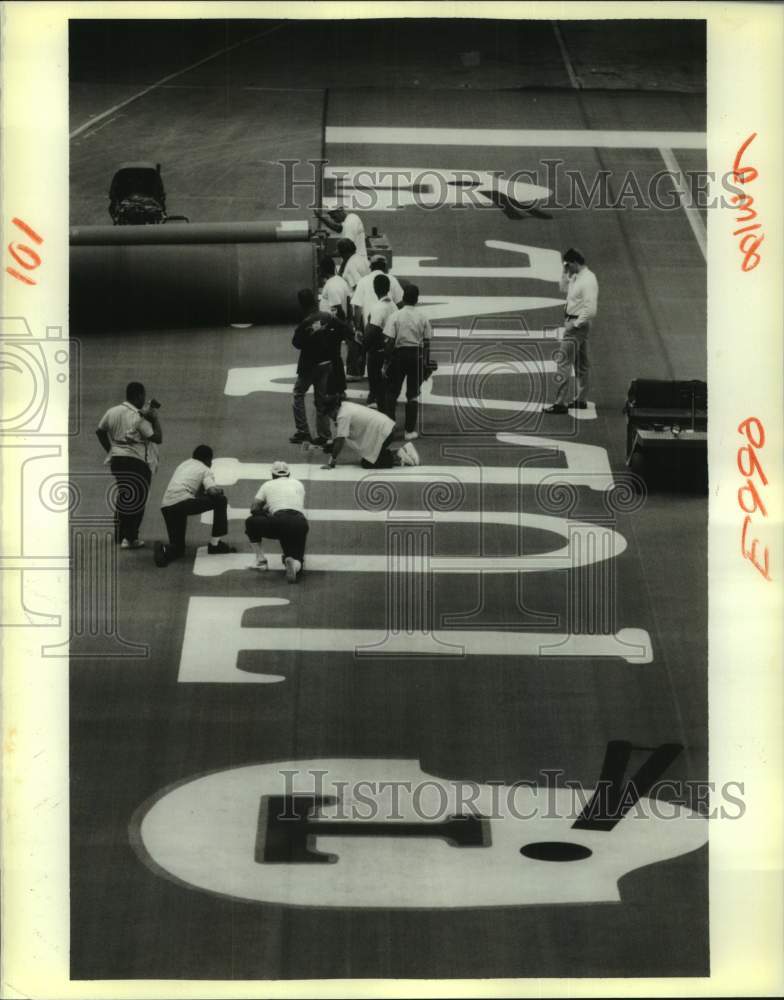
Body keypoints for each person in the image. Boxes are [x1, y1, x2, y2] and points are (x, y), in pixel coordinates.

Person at [96, 381, 162, 549]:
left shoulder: (112, 411)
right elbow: (157, 438)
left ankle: (120, 535)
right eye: (143, 396)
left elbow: (100, 431)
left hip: (117, 461)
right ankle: (131, 538)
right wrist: (154, 419)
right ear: (139, 396)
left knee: (124, 495)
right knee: (137, 500)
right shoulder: (139, 416)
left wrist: (111, 450)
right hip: (137, 461)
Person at [154, 445, 235, 566]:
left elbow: (197, 493)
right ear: (208, 459)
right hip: (183, 503)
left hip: (168, 507)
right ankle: (215, 544)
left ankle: (164, 549)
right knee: (221, 500)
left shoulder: (184, 464)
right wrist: (219, 490)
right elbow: (212, 492)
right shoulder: (205, 469)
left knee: (178, 549)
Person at [290, 288, 351, 446]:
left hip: (309, 364)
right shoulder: (328, 317)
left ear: (302, 305)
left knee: (298, 393)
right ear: (315, 301)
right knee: (321, 399)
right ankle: (324, 434)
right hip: (327, 363)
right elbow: (345, 329)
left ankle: (303, 431)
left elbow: (296, 343)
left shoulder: (306, 323)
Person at [543, 247, 599, 414]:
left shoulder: (587, 280)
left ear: (575, 263)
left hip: (576, 326)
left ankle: (560, 402)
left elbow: (591, 310)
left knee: (563, 363)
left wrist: (574, 325)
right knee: (581, 363)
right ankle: (581, 400)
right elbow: (562, 288)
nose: (566, 267)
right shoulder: (575, 276)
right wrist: (564, 271)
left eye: (567, 264)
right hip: (576, 324)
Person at [382, 283, 433, 441]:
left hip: (399, 355)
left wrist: (386, 362)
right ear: (416, 299)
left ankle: (389, 429)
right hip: (416, 356)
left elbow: (389, 341)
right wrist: (425, 363)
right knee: (412, 394)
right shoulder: (422, 317)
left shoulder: (395, 316)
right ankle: (409, 431)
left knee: (392, 393)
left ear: (403, 298)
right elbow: (427, 343)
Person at [245, 461, 309, 583]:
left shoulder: (267, 484)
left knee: (251, 522)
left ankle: (261, 561)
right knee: (297, 558)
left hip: (279, 520)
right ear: (288, 474)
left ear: (273, 475)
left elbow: (254, 509)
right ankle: (294, 564)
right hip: (300, 523)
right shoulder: (299, 484)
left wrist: (266, 511)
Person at [323, 396, 420, 469]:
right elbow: (342, 435)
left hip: (384, 433)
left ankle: (400, 456)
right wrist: (334, 444)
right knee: (370, 458)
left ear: (334, 409)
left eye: (329, 414)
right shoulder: (344, 406)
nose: (330, 417)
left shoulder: (342, 416)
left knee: (368, 463)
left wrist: (332, 460)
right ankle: (403, 451)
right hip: (386, 427)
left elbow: (341, 439)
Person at [363, 273, 399, 409]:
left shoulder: (378, 308)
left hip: (377, 351)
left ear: (375, 288)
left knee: (375, 383)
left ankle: (377, 405)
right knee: (387, 383)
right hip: (391, 349)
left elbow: (372, 331)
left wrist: (363, 349)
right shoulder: (393, 306)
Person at [337, 238, 371, 381]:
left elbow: (357, 287)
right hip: (369, 301)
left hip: (358, 302)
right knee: (360, 337)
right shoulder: (361, 259)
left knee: (354, 338)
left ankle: (355, 371)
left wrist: (353, 315)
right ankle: (359, 369)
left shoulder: (350, 265)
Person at [350, 255, 404, 330]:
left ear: (371, 267)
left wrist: (357, 329)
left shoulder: (363, 281)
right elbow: (400, 303)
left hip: (370, 328)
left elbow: (357, 307)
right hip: (389, 330)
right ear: (385, 267)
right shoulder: (392, 279)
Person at [318, 255, 351, 320]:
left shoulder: (331, 285)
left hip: (334, 325)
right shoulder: (341, 280)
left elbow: (338, 309)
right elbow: (349, 304)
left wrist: (343, 325)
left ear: (322, 270)